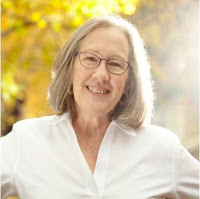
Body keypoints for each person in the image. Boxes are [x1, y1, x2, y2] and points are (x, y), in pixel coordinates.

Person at [1, 15, 199, 199]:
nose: (101, 74)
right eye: (90, 59)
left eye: (115, 64)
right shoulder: (26, 140)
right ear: (70, 70)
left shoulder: (162, 148)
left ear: (129, 83)